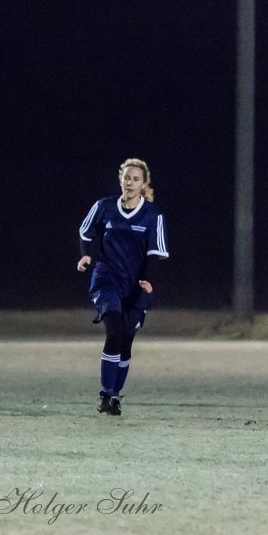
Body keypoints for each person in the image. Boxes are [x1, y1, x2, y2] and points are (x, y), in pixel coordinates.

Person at [77, 157, 169, 416]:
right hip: (107, 280)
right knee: (114, 330)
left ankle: (115, 396)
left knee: (126, 341)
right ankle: (105, 395)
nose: (130, 182)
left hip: (135, 286)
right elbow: (86, 233)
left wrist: (148, 280)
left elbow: (156, 252)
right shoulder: (104, 207)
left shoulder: (153, 215)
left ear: (144, 184)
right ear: (121, 180)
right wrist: (86, 254)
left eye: (135, 179)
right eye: (126, 177)